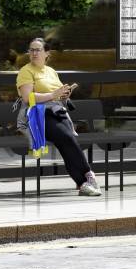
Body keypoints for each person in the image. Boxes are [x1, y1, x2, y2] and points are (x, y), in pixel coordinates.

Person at [16, 38, 102, 196]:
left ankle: (82, 183)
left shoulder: (51, 72)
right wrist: (52, 94)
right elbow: (27, 98)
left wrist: (65, 94)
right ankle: (88, 174)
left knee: (65, 142)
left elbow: (58, 94)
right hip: (37, 114)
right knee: (67, 137)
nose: (34, 53)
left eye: (38, 50)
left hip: (57, 111)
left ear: (47, 53)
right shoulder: (25, 71)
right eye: (31, 50)